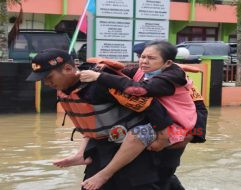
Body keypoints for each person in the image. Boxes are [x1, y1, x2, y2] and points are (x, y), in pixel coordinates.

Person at [26, 49, 189, 190]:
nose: (46, 83)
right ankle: (85, 159)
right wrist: (82, 152)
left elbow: (151, 106)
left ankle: (106, 173)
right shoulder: (67, 88)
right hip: (102, 146)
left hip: (136, 147)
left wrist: (162, 137)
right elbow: (91, 122)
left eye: (48, 77)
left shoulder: (102, 83)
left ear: (68, 69)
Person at [78, 40, 206, 189]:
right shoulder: (143, 72)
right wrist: (105, 68)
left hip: (174, 130)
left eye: (151, 58)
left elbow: (199, 108)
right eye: (141, 56)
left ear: (167, 62)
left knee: (162, 176)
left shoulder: (174, 77)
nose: (143, 61)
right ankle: (81, 154)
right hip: (151, 128)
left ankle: (104, 173)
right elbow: (124, 74)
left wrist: (192, 135)